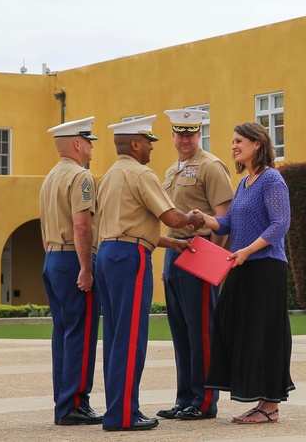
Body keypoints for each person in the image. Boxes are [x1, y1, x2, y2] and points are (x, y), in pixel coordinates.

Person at [95, 115, 204, 431]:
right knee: (131, 339)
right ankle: (124, 415)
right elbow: (170, 215)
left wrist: (172, 243)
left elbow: (130, 225)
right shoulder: (141, 173)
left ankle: (120, 408)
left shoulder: (110, 175)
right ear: (135, 143)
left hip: (108, 254)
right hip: (131, 257)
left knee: (116, 337)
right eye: (148, 142)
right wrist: (193, 221)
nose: (151, 149)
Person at [197, 121, 294, 425]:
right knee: (231, 326)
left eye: (239, 141)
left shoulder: (272, 180)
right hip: (242, 265)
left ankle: (270, 404)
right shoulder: (244, 183)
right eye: (233, 141)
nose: (234, 146)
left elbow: (280, 224)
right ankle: (259, 398)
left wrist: (248, 250)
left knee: (264, 334)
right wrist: (205, 220)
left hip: (265, 267)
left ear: (258, 145)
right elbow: (229, 225)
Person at [156, 108, 233, 421]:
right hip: (174, 251)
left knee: (201, 331)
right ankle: (184, 396)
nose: (184, 139)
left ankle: (204, 400)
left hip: (199, 251)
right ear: (173, 135)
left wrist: (213, 262)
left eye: (190, 133)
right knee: (181, 331)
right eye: (179, 133)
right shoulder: (172, 170)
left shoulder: (211, 166)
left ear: (199, 134)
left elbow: (224, 219)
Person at [40, 116, 102, 426]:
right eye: (89, 141)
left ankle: (63, 401)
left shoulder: (50, 177)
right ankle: (75, 402)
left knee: (62, 333)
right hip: (73, 259)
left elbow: (42, 227)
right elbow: (82, 224)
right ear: (77, 144)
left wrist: (55, 257)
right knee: (81, 332)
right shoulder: (82, 177)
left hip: (53, 257)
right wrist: (86, 268)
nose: (92, 146)